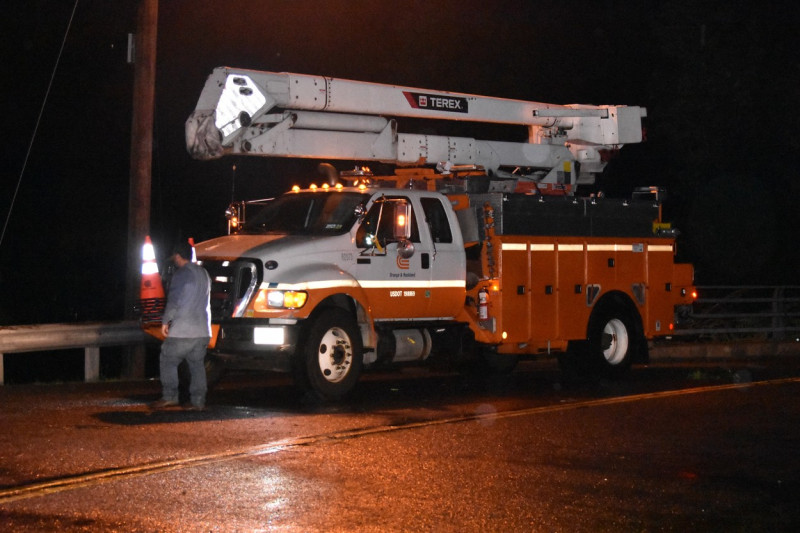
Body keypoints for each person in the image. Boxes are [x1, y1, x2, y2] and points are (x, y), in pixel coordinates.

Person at [150, 241, 211, 411]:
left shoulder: (181, 274)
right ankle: (198, 401)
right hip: (202, 330)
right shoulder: (204, 273)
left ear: (177, 256)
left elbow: (174, 301)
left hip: (184, 329)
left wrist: (165, 321)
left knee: (167, 359)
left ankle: (170, 396)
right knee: (197, 365)